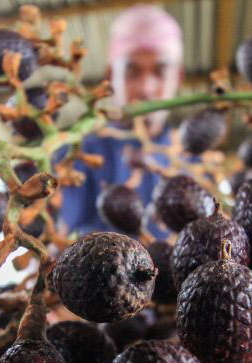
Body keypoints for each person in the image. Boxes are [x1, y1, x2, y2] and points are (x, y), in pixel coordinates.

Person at [60, 4, 184, 236]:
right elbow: (55, 243)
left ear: (178, 77)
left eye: (160, 71)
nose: (146, 89)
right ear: (110, 76)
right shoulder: (75, 155)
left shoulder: (193, 163)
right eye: (131, 71)